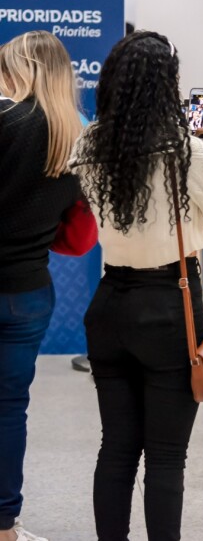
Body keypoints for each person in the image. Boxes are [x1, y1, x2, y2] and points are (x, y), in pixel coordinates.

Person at [69, 31, 203, 540]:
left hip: (109, 305)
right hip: (170, 306)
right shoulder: (185, 150)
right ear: (165, 85)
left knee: (117, 447)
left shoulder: (90, 142)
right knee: (167, 456)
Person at [0, 31, 84, 541]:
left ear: (21, 67)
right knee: (10, 409)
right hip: (29, 290)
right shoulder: (74, 137)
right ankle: (4, 525)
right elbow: (73, 231)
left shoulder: (4, 123)